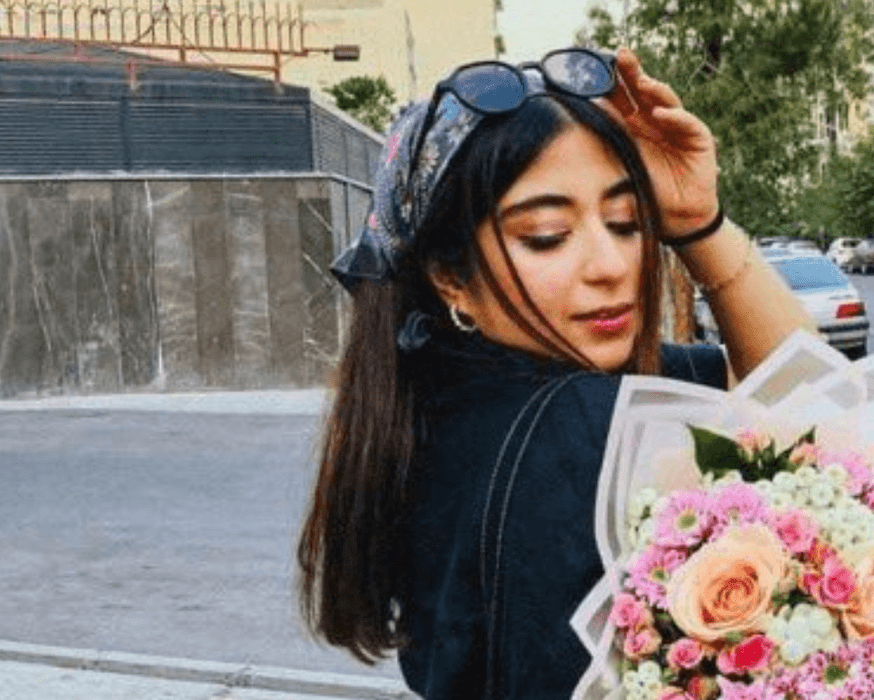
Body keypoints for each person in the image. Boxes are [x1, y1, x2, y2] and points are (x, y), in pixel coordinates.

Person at [297, 47, 813, 699]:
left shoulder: (423, 397)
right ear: (451, 275)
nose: (610, 264)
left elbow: (793, 382)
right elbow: (818, 414)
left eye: (627, 221)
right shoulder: (579, 426)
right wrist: (707, 233)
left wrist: (688, 214)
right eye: (545, 234)